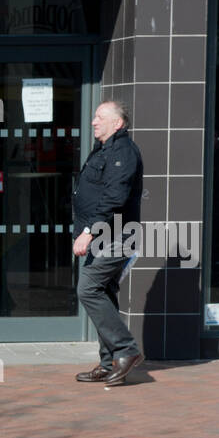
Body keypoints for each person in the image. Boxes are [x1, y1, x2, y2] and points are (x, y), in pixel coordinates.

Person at [72, 99, 145, 388]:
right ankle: (109, 363)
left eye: (100, 117)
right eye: (94, 117)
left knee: (88, 288)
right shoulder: (105, 148)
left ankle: (126, 351)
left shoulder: (123, 152)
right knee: (103, 291)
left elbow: (114, 198)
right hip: (104, 235)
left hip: (117, 236)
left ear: (118, 123)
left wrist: (88, 232)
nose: (93, 122)